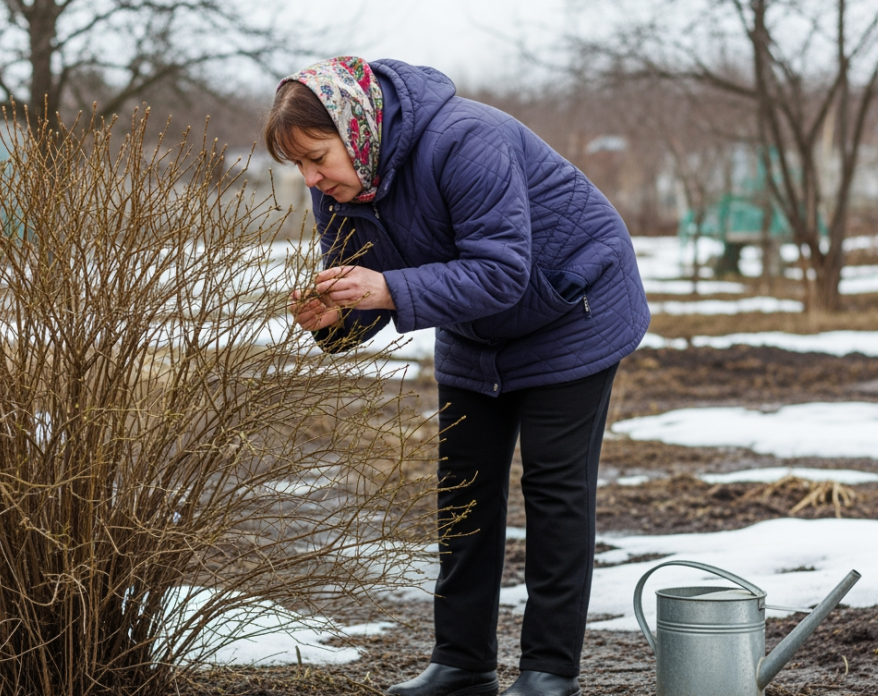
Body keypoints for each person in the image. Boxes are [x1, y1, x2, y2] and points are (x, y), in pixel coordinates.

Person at [265, 56, 649, 696]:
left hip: (570, 306)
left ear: (357, 128)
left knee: (555, 492)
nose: (310, 176)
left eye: (316, 157)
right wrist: (332, 319)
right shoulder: (336, 186)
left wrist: (385, 287)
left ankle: (549, 674)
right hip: (477, 328)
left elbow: (501, 271)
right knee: (463, 492)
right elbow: (366, 293)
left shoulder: (467, 140)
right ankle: (463, 665)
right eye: (299, 165)